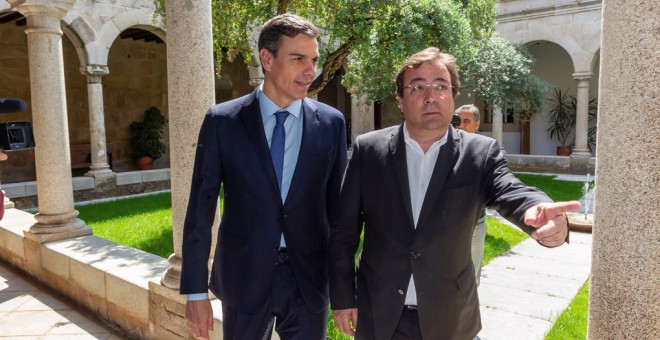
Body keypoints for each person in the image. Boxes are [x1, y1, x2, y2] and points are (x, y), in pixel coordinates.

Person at [328, 47, 580, 340]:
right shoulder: (369, 150)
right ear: (400, 98)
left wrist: (538, 209)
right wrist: (343, 298)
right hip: (379, 310)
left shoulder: (480, 152)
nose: (430, 96)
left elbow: (510, 189)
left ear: (453, 95)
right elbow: (344, 233)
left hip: (450, 315)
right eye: (418, 86)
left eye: (440, 86)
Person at [180, 13, 347, 340]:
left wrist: (344, 290)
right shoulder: (222, 122)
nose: (310, 71)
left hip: (307, 279)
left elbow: (338, 215)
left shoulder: (332, 123)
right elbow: (199, 212)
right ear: (267, 59)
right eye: (298, 58)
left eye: (313, 60)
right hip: (244, 276)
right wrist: (196, 293)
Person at [455, 104, 487, 286]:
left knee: (472, 278)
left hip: (475, 223)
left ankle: (468, 313)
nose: (460, 125)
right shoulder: (443, 148)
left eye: (466, 121)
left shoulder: (485, 151)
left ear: (477, 125)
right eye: (458, 121)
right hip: (447, 224)